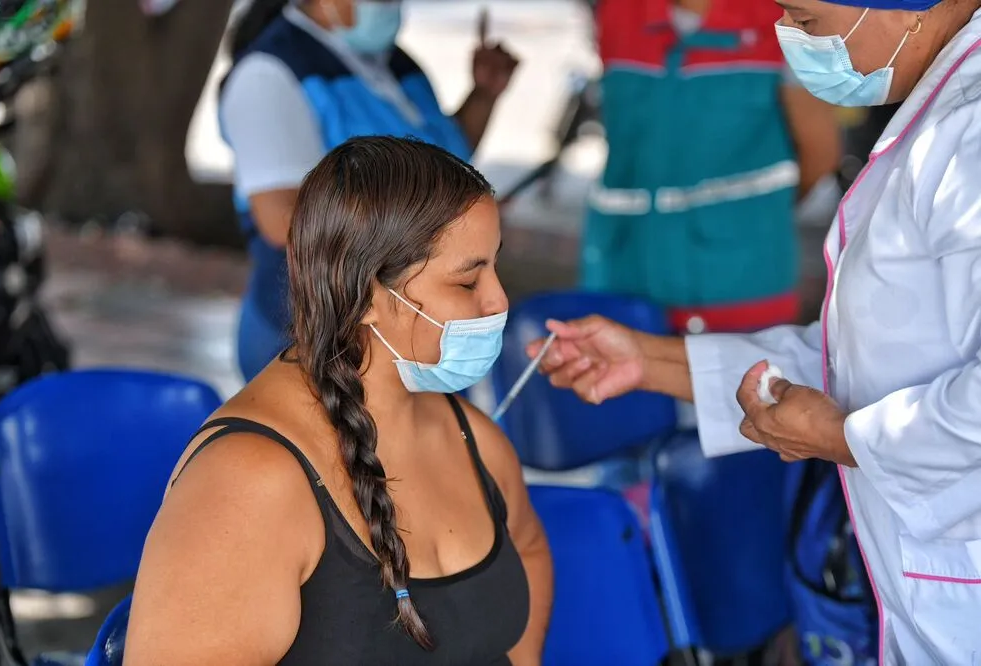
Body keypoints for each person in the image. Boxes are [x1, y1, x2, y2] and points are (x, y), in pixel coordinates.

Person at [530, 0, 981, 661]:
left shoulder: (969, 134)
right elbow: (860, 362)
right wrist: (649, 362)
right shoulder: (941, 110)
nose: (791, 40)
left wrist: (835, 435)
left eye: (807, 19)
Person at [124, 138, 552, 666]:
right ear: (369, 296)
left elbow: (528, 548)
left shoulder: (469, 436)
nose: (499, 301)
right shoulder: (247, 482)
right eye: (467, 280)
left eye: (494, 268)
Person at [221, 0, 519, 381]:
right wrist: (442, 226)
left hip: (411, 328)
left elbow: (443, 156)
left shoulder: (397, 64)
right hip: (321, 330)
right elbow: (281, 219)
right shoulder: (267, 75)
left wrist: (483, 95)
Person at [584, 0, 841, 335]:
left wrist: (754, 215)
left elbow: (820, 151)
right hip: (621, 282)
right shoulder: (617, 11)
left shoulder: (785, 17)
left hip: (741, 292)